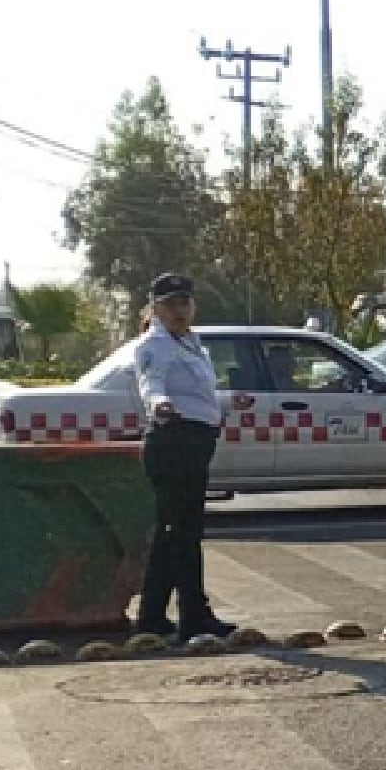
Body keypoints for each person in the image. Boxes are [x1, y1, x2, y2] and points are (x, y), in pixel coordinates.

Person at [132, 273, 240, 644]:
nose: (180, 310)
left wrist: (222, 407)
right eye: (170, 304)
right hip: (173, 440)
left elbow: (199, 393)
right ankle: (194, 616)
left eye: (185, 302)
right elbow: (151, 382)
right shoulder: (155, 344)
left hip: (194, 442)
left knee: (172, 533)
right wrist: (160, 404)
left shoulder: (192, 343)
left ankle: (151, 616)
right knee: (184, 533)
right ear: (155, 308)